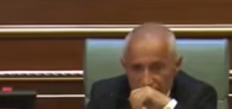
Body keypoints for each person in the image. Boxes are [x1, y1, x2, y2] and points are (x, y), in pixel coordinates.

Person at [86, 23, 217, 109]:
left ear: (176, 65)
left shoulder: (200, 95)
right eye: (137, 68)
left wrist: (168, 106)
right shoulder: (104, 94)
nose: (146, 80)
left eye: (157, 68)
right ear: (125, 66)